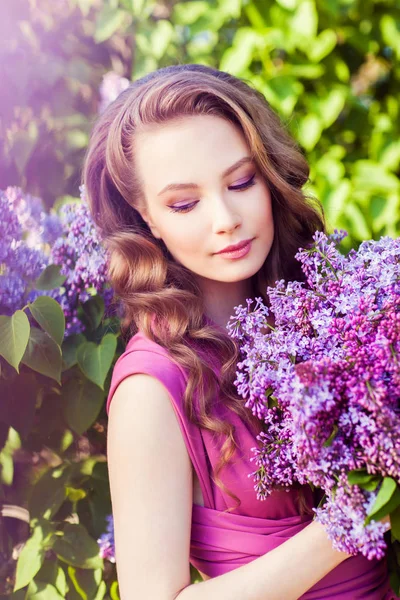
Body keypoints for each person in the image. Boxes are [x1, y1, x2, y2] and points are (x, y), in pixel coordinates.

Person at [82, 64, 395, 599]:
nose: (225, 217)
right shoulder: (151, 390)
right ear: (146, 215)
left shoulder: (335, 314)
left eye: (242, 181)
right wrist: (349, 520)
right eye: (185, 203)